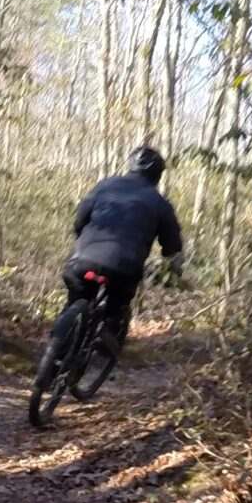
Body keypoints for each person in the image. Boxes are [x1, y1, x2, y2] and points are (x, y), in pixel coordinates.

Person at [61, 144, 184, 356]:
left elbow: (81, 217)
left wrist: (81, 235)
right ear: (157, 175)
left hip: (83, 258)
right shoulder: (160, 204)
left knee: (76, 297)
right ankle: (107, 339)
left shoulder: (105, 186)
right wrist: (171, 269)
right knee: (117, 304)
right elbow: (173, 246)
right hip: (124, 268)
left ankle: (57, 353)